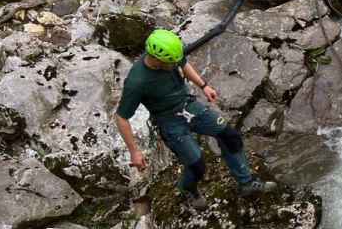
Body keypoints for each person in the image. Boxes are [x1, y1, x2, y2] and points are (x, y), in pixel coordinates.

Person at [114, 29, 275, 208]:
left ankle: (246, 183)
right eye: (172, 62)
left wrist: (203, 85)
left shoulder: (170, 55)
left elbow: (184, 64)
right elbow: (122, 117)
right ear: (157, 59)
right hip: (169, 121)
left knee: (230, 136)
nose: (176, 64)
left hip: (188, 105)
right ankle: (187, 188)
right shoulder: (137, 82)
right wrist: (134, 151)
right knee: (197, 164)